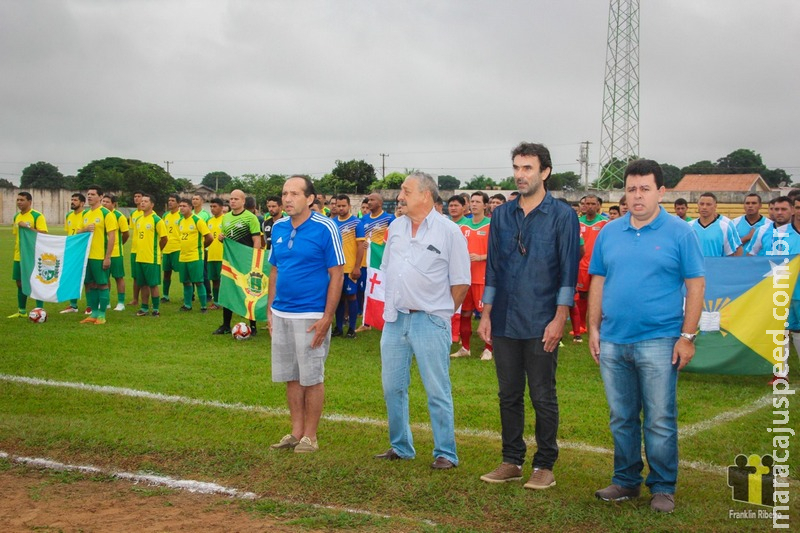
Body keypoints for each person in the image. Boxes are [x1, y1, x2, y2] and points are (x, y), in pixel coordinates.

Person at [588, 159, 705, 513]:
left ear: (661, 192)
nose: (637, 196)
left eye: (645, 189)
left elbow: (696, 285)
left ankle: (663, 486)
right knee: (621, 415)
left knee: (658, 417)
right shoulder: (609, 232)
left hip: (659, 339)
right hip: (613, 339)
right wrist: (594, 328)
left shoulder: (680, 232)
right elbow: (598, 281)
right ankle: (625, 481)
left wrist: (687, 336)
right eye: (631, 189)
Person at [477, 142, 579, 489]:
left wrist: (559, 317)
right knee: (508, 394)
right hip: (504, 317)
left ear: (545, 172)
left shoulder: (563, 215)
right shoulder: (502, 214)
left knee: (542, 394)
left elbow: (569, 271)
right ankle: (511, 460)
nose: (520, 175)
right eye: (517, 168)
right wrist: (486, 312)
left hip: (541, 318)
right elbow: (493, 267)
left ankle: (545, 464)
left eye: (528, 169)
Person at [373, 172, 470, 469]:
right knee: (392, 387)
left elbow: (461, 282)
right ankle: (401, 446)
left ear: (425, 195)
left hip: (430, 320)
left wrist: (441, 312)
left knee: (437, 388)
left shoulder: (449, 231)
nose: (400, 196)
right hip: (396, 319)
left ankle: (445, 452)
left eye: (406, 190)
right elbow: (388, 269)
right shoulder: (396, 227)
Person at [268, 175, 344, 453]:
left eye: (294, 194)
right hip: (281, 313)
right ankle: (296, 432)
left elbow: (336, 274)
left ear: (310, 198)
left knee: (312, 376)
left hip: (311, 314)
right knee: (291, 375)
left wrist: (327, 317)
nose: (287, 199)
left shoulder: (326, 228)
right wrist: (269, 309)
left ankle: (310, 436)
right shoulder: (277, 227)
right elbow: (274, 270)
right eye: (285, 193)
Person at [212, 189, 262, 335]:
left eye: (236, 199)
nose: (232, 201)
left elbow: (256, 240)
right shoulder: (225, 218)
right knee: (228, 290)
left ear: (243, 201)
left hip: (246, 262)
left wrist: (254, 260)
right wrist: (221, 239)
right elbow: (227, 241)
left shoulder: (250, 218)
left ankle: (253, 326)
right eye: (231, 199)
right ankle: (225, 325)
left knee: (250, 292)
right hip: (230, 262)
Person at [451, 191, 493, 361]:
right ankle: (465, 347)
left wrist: (482, 257)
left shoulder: (491, 225)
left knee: (486, 314)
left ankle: (488, 348)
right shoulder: (462, 226)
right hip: (464, 278)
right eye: (472, 201)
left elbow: (500, 252)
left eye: (478, 202)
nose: (474, 204)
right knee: (465, 313)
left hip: (482, 278)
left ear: (485, 205)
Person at [354, 193, 395, 333]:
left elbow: (392, 240)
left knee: (385, 291)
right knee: (367, 291)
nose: (369, 202)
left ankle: (388, 318)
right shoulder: (363, 220)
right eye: (368, 200)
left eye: (372, 200)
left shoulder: (389, 218)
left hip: (382, 262)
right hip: (367, 262)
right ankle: (367, 322)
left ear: (380, 203)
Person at [79, 185, 118, 324]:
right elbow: (77, 233)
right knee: (89, 284)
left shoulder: (106, 214)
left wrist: (107, 257)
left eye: (93, 194)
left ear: (101, 197)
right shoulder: (85, 214)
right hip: (86, 257)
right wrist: (84, 229)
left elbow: (112, 237)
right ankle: (93, 313)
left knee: (102, 284)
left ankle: (102, 314)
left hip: (99, 256)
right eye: (88, 194)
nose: (89, 196)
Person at [575, 194, 608, 343]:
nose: (589, 206)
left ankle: (598, 325)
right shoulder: (577, 222)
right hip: (581, 265)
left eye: (593, 204)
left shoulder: (604, 223)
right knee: (581, 296)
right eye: (587, 203)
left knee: (598, 295)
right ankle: (581, 325)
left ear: (598, 206)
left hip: (598, 265)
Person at [10, 192, 48, 318]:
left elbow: (43, 234)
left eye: (22, 200)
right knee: (19, 282)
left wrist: (27, 227)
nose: (19, 202)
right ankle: (21, 310)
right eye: (18, 200)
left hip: (33, 255)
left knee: (36, 282)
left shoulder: (37, 216)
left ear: (30, 202)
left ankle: (39, 309)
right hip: (19, 255)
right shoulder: (16, 216)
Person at [332, 194, 364, 339]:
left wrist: (357, 267)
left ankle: (351, 329)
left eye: (343, 206)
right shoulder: (332, 223)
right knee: (337, 298)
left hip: (350, 268)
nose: (340, 208)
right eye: (338, 205)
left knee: (351, 296)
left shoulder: (356, 223)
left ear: (349, 206)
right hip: (336, 268)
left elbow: (360, 247)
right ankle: (338, 327)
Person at [132, 193, 168, 317]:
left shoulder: (157, 220)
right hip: (139, 257)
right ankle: (144, 308)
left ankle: (156, 309)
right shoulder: (138, 219)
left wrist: (158, 251)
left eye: (145, 201)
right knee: (142, 284)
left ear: (152, 204)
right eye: (141, 201)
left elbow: (164, 238)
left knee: (153, 284)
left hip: (151, 258)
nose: (142, 203)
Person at [177, 198, 212, 312]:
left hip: (195, 256)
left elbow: (209, 237)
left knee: (198, 281)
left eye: (184, 206)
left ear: (190, 207)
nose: (181, 208)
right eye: (180, 206)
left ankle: (203, 306)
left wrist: (200, 247)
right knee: (186, 282)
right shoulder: (180, 222)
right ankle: (187, 305)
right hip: (183, 256)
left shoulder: (198, 220)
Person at [101, 194, 130, 311]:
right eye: (103, 201)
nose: (104, 204)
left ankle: (121, 302)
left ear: (114, 204)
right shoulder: (101, 214)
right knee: (104, 278)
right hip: (102, 252)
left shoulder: (119, 217)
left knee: (118, 277)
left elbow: (126, 234)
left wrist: (118, 245)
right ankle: (106, 302)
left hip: (116, 253)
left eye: (107, 202)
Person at [60, 193, 85, 314]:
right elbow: (69, 233)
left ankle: (91, 305)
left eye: (75, 200)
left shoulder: (86, 215)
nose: (72, 202)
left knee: (88, 279)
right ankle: (73, 305)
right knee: (73, 277)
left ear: (82, 203)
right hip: (71, 250)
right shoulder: (69, 215)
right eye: (72, 199)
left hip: (83, 250)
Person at [160, 193, 182, 302]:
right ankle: (165, 295)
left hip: (178, 248)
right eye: (169, 200)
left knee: (183, 273)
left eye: (173, 200)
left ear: (178, 203)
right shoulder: (165, 216)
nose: (170, 202)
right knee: (166, 273)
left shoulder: (182, 215)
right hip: (166, 249)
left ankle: (189, 294)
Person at [205, 198, 225, 310]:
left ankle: (226, 302)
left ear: (221, 207)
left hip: (223, 256)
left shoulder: (226, 219)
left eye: (215, 206)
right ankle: (216, 302)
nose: (212, 209)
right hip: (211, 255)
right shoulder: (209, 221)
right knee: (214, 280)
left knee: (225, 281)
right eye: (211, 207)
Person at [127, 191, 145, 307]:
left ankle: (146, 301)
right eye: (135, 196)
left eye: (139, 197)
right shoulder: (133, 214)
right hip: (134, 249)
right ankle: (135, 299)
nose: (137, 198)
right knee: (135, 276)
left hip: (144, 250)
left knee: (144, 277)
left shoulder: (149, 214)